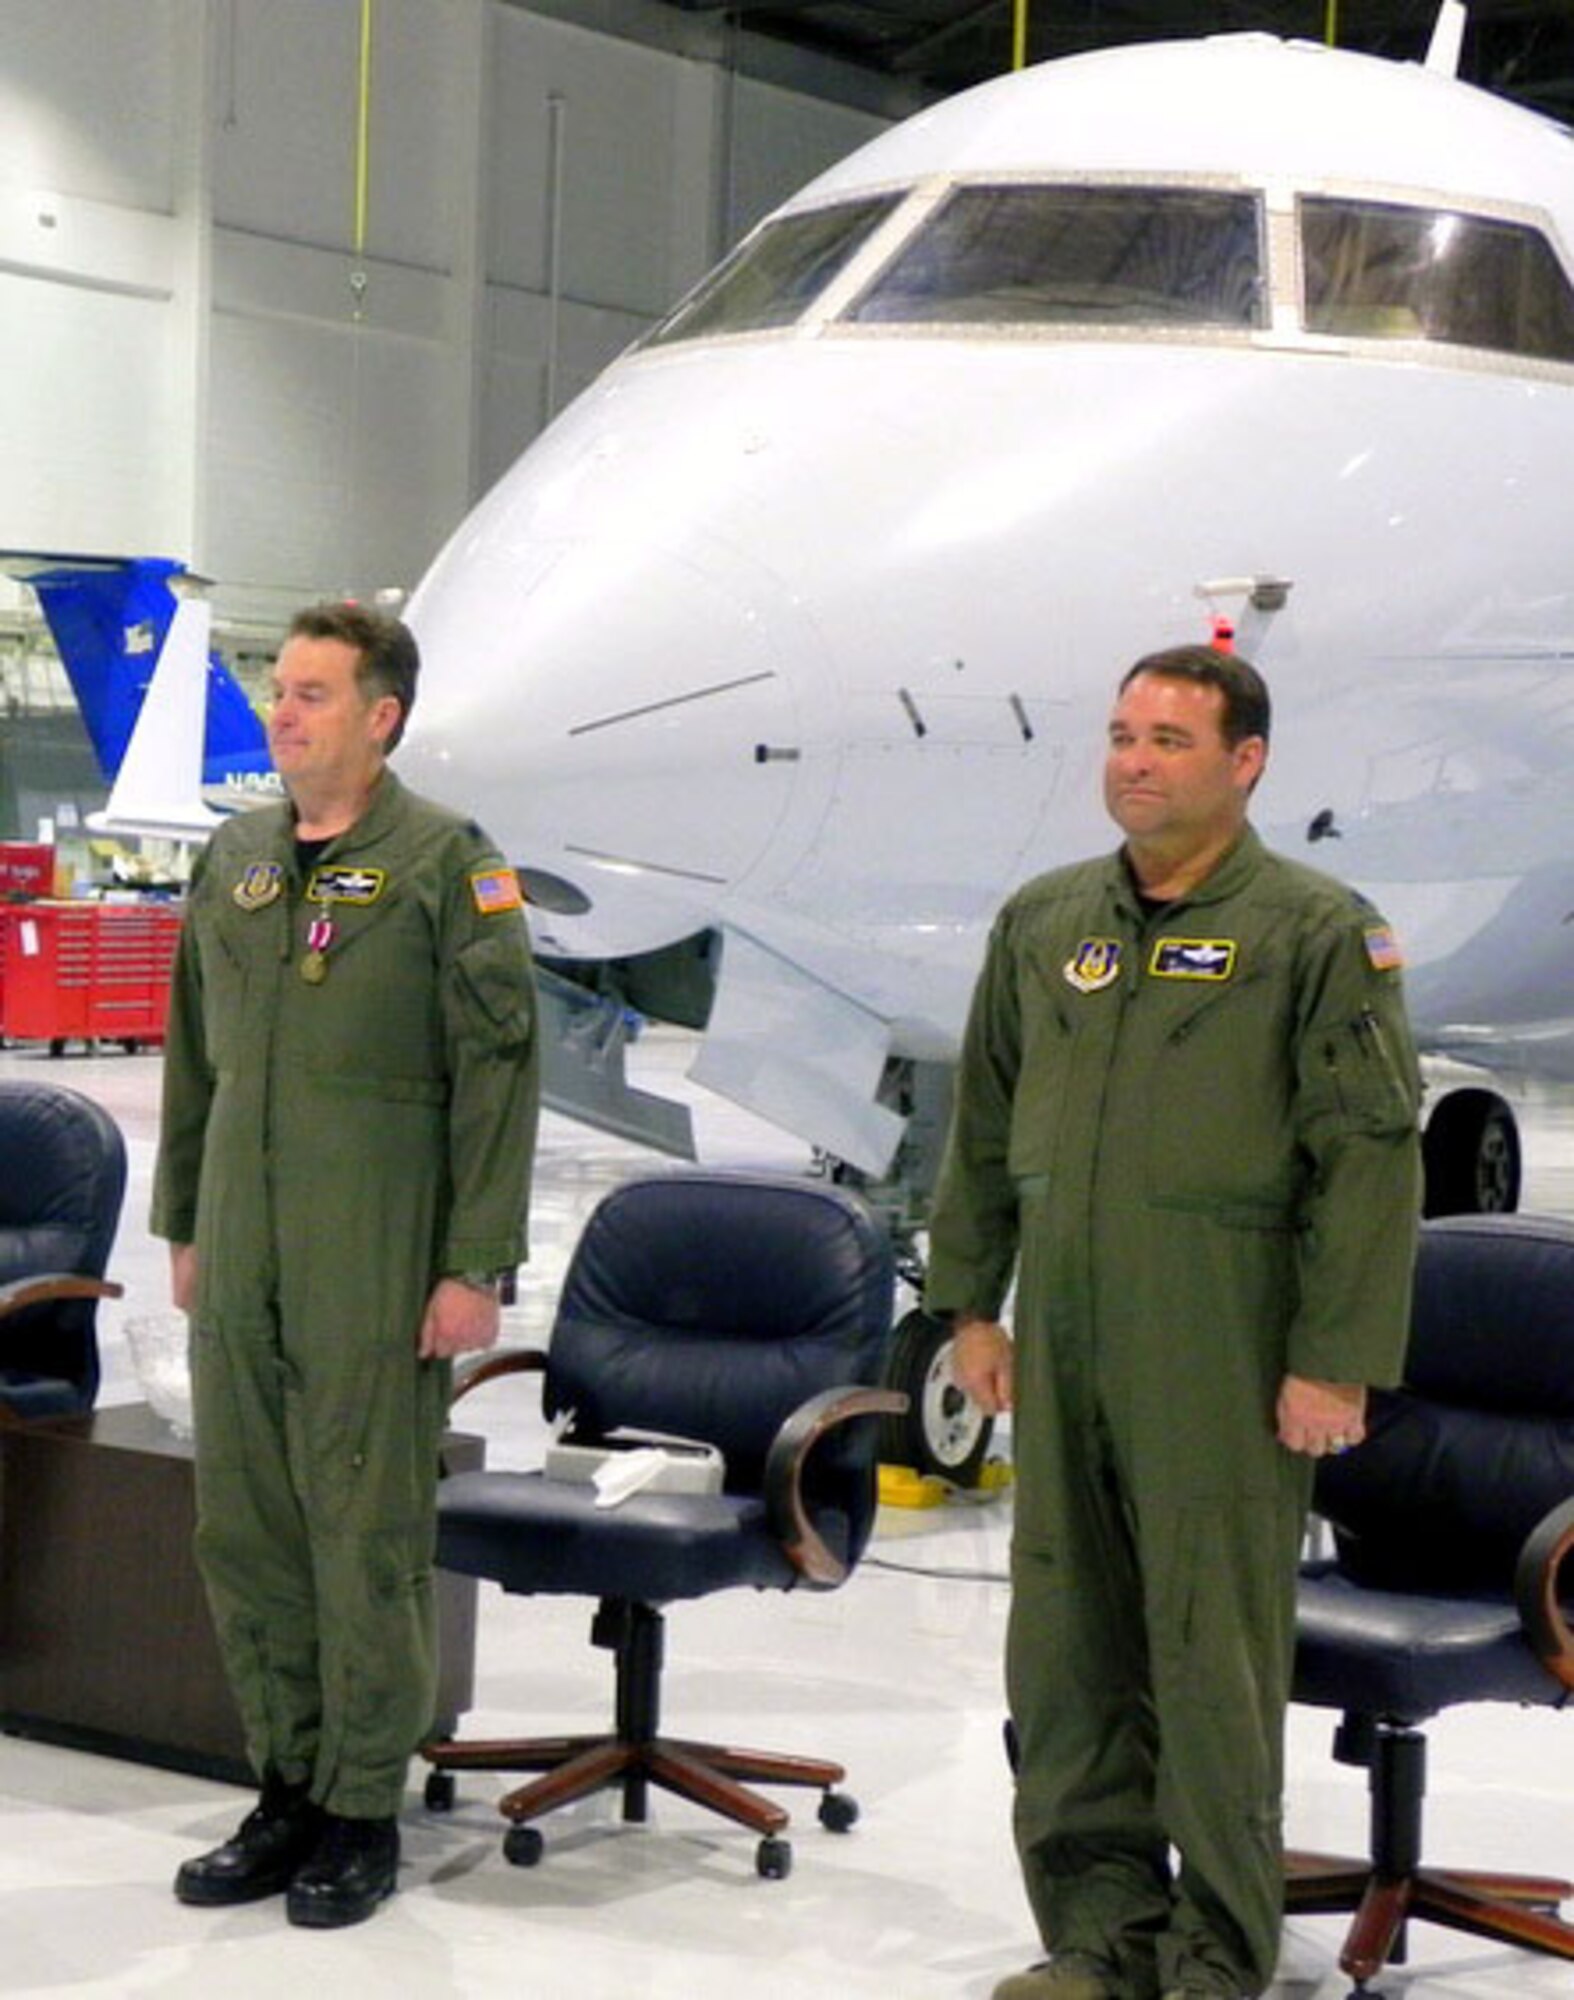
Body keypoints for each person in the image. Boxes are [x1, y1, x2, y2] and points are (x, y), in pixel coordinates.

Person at [924, 646, 1421, 2000]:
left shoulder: (1315, 933)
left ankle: (1214, 1952)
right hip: (1068, 1336)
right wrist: (969, 1303)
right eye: (1119, 735)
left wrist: (1334, 1359)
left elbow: (1369, 1160)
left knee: (1206, 1657)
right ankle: (1099, 1935)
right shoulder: (1044, 924)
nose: (1131, 761)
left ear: (1241, 762)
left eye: (1166, 739)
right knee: (1068, 1646)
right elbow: (980, 1131)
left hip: (1221, 1340)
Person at [151, 602, 539, 1928]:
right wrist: (187, 1224)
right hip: (244, 1243)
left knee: (362, 1532)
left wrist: (474, 1261)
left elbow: (497, 1071)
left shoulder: (448, 863)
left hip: (378, 1250)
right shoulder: (238, 859)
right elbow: (194, 1050)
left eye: (313, 693)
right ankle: (286, 1787)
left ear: (382, 717)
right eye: (281, 690)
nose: (284, 712)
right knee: (247, 1527)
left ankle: (363, 1804)